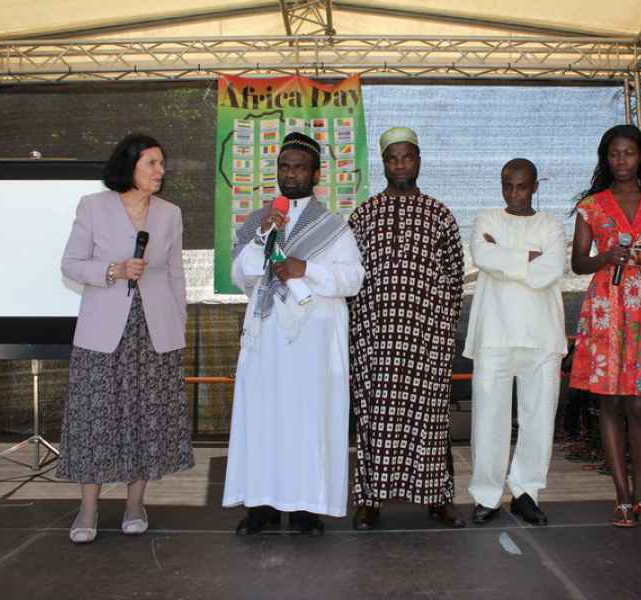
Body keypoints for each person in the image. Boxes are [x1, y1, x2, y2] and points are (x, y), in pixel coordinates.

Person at [223, 132, 364, 535]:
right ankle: (262, 506)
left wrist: (307, 269)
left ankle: (305, 507)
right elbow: (241, 275)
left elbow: (353, 279)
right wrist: (261, 235)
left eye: (299, 167)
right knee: (264, 418)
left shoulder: (334, 226)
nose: (290, 174)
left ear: (316, 174)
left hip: (313, 342)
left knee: (308, 420)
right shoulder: (260, 219)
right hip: (267, 337)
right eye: (284, 166)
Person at [59, 133, 193, 544]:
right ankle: (88, 508)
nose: (160, 170)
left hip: (155, 330)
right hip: (102, 330)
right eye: (152, 163)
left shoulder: (170, 213)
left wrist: (178, 325)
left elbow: (175, 275)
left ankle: (136, 504)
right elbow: (70, 264)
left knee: (146, 417)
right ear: (129, 165)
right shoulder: (93, 206)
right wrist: (113, 270)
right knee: (95, 418)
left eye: (162, 163)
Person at [348, 127, 465, 530]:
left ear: (418, 160)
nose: (400, 165)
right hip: (375, 336)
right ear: (383, 163)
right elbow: (349, 274)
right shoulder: (363, 214)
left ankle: (438, 498)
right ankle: (370, 500)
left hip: (426, 336)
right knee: (373, 416)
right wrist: (360, 327)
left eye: (407, 157)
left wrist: (441, 325)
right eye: (392, 158)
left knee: (430, 417)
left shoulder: (439, 214)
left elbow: (454, 276)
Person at [569, 124, 641, 528]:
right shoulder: (592, 206)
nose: (621, 161)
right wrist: (605, 256)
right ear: (605, 158)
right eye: (613, 154)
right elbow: (578, 262)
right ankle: (621, 497)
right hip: (606, 307)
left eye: (628, 153)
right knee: (611, 402)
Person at [464, 159, 567, 526]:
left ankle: (527, 493)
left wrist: (504, 259)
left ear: (535, 187)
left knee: (538, 417)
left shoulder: (551, 225)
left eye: (522, 186)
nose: (514, 193)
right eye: (507, 185)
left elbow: (550, 271)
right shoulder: (486, 219)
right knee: (488, 417)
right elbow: (482, 255)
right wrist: (529, 258)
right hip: (494, 331)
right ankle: (487, 496)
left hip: (542, 333)